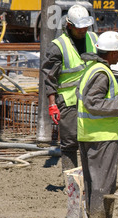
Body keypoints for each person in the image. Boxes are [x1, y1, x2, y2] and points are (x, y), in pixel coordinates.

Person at [76, 31, 118, 218]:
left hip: (90, 134)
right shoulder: (101, 73)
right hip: (102, 136)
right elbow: (92, 102)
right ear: (112, 53)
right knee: (103, 180)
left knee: (94, 180)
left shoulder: (91, 69)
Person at [41, 4, 98, 173]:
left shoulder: (94, 39)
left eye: (85, 26)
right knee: (70, 143)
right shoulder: (58, 46)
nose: (83, 30)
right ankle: (72, 184)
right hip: (68, 102)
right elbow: (50, 77)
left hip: (93, 99)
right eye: (79, 28)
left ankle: (90, 181)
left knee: (92, 140)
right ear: (69, 25)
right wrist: (52, 104)